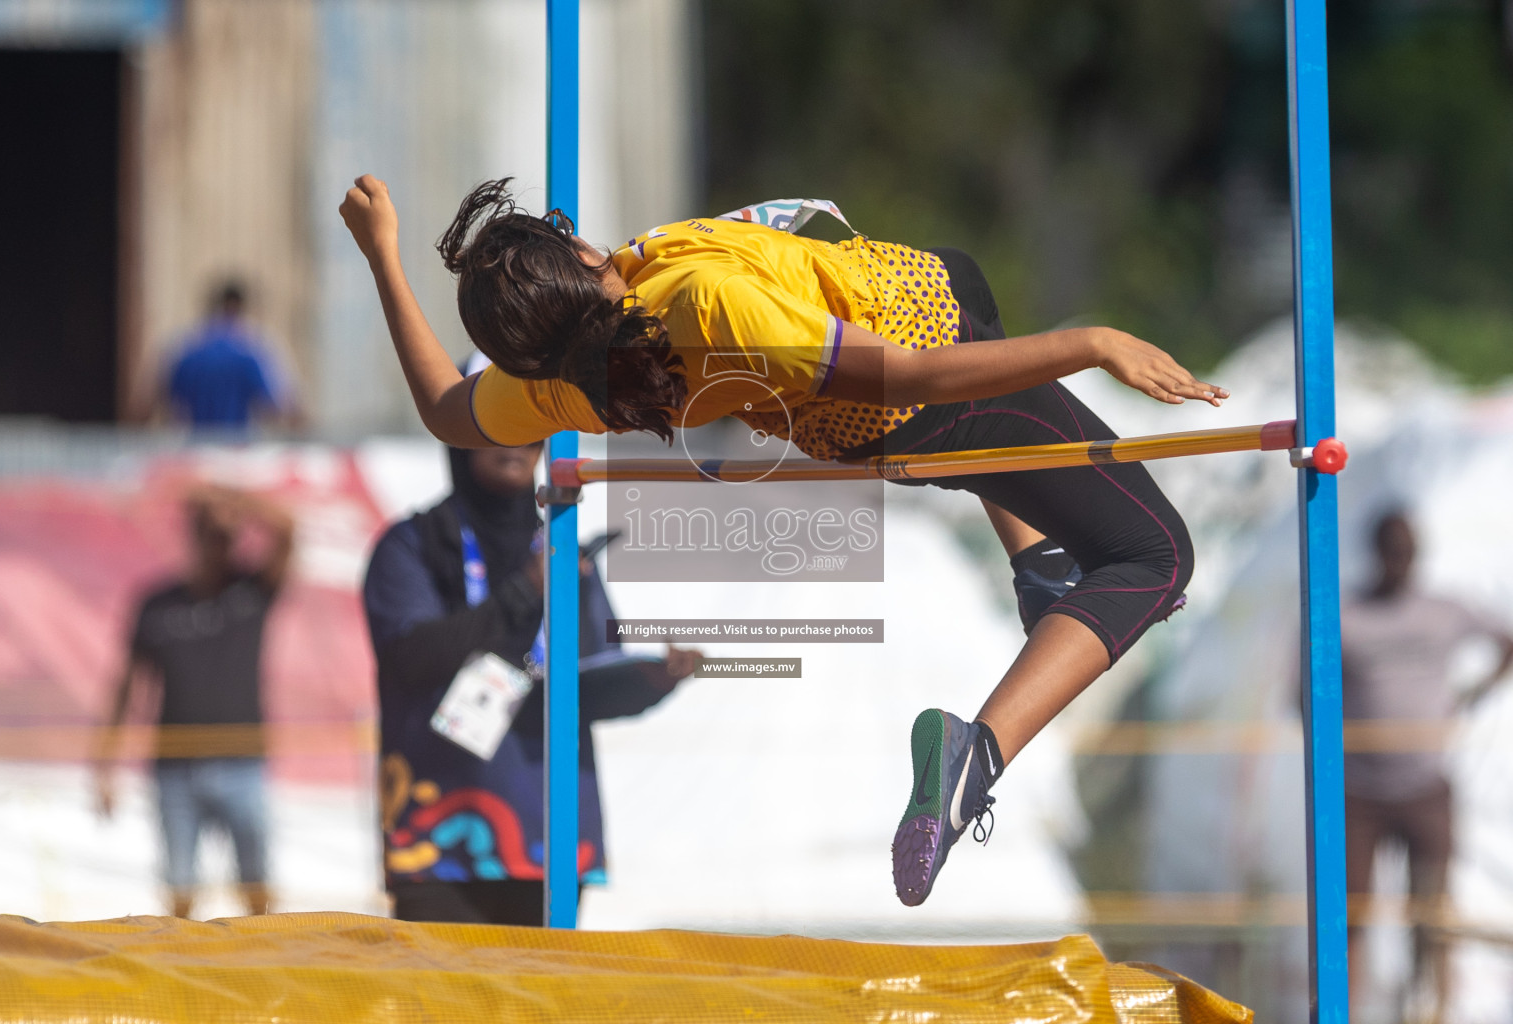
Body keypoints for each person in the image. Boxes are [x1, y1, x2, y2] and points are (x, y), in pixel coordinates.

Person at [339, 174, 1223, 905]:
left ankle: (1039, 567)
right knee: (1154, 556)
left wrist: (382, 255)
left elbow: (445, 410)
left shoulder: (564, 385)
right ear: (574, 261)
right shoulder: (711, 311)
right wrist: (1091, 343)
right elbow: (914, 374)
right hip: (927, 389)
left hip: (911, 341)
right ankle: (975, 755)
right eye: (569, 232)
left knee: (968, 279)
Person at [363, 425, 699, 924]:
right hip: (438, 846)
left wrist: (652, 680)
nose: (517, 442)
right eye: (498, 425)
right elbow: (410, 658)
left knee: (539, 1003)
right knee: (442, 1004)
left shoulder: (566, 553)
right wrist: (523, 592)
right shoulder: (411, 543)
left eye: (531, 433)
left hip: (551, 839)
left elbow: (590, 683)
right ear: (458, 438)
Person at [1341, 510, 1513, 1017]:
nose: (1400, 561)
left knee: (1433, 915)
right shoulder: (1346, 612)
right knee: (1348, 916)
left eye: (1408, 550)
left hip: (1425, 789)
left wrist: (1473, 694)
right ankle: (1342, 1009)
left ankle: (1432, 1012)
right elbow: (1301, 689)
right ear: (1376, 552)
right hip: (1359, 793)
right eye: (1392, 550)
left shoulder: (1446, 610)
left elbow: (1505, 641)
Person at [95, 485, 295, 918]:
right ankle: (181, 981)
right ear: (195, 536)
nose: (223, 546)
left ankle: (263, 973)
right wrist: (105, 765)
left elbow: (287, 529)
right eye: (212, 534)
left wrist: (234, 499)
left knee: (257, 886)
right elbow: (126, 687)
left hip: (242, 763)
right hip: (175, 767)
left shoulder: (251, 591)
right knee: (179, 892)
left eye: (229, 537)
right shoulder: (157, 604)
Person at [161, 280, 300, 431]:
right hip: (237, 446)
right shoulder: (253, 349)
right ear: (240, 308)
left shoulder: (185, 348)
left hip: (197, 444)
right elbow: (277, 407)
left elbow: (157, 402)